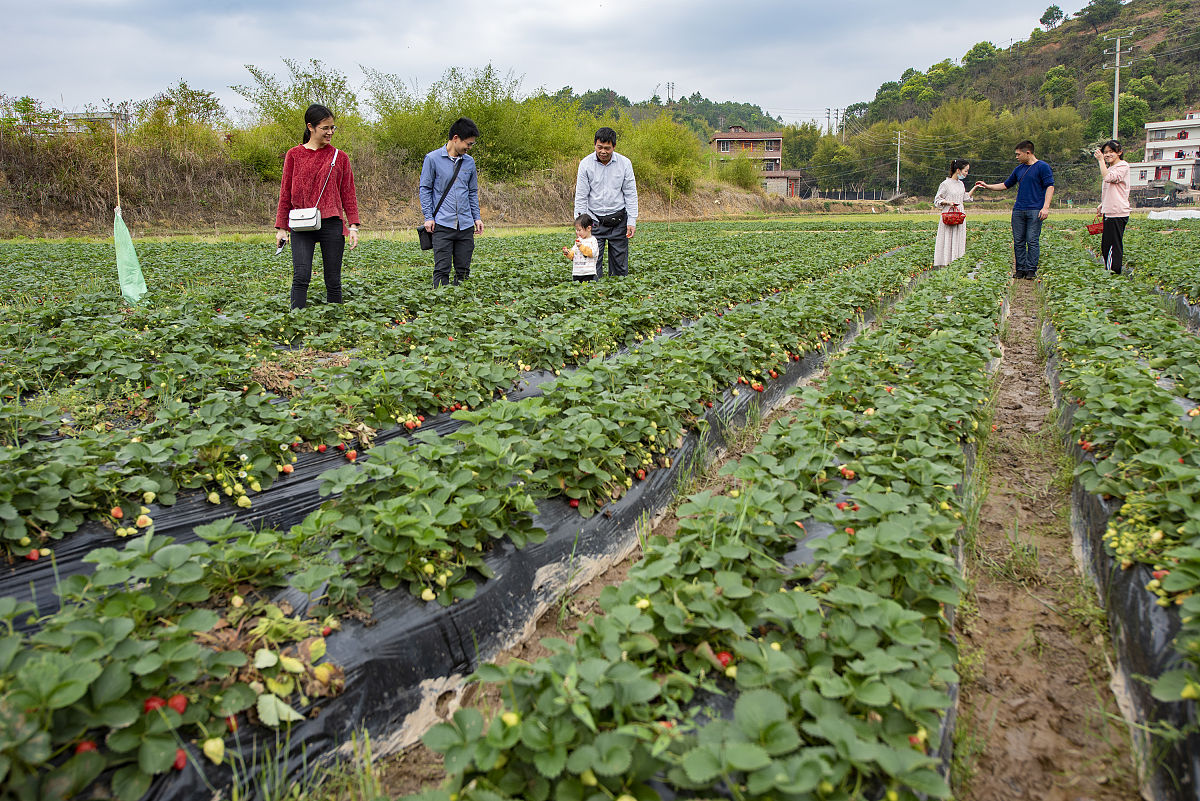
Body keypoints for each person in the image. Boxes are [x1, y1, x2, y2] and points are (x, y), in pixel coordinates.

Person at [275, 104, 360, 309]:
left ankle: (336, 328)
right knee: (301, 277)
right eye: (325, 128)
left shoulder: (340, 157)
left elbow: (348, 193)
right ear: (311, 127)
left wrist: (353, 226)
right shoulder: (294, 155)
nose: (330, 132)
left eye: (333, 128)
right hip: (301, 224)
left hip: (331, 223)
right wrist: (281, 228)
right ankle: (296, 325)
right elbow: (285, 192)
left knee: (333, 281)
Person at [974, 140, 1055, 279]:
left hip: (1035, 210)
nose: (1016, 157)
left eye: (1018, 154)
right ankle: (1020, 269)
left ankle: (1031, 270)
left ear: (1028, 152)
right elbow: (1006, 185)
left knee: (1032, 240)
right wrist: (987, 186)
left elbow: (1050, 186)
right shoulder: (1019, 169)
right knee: (1018, 241)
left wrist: (1045, 207)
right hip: (1018, 210)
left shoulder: (1043, 167)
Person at [420, 118, 483, 287]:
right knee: (442, 270)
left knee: (463, 271)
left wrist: (476, 217)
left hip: (465, 225)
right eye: (468, 144)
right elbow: (425, 189)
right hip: (442, 224)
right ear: (456, 138)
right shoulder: (432, 159)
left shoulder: (469, 162)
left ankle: (461, 309)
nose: (469, 148)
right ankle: (441, 308)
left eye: (471, 145)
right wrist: (428, 217)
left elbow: (471, 192)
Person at [573, 127, 638, 278]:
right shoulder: (586, 164)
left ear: (614, 147)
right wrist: (581, 224)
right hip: (594, 221)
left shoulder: (625, 164)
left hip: (619, 220)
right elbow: (581, 195)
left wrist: (632, 220)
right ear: (594, 145)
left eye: (607, 148)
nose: (603, 151)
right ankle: (595, 296)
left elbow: (630, 194)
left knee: (620, 268)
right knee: (592, 266)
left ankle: (617, 296)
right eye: (599, 147)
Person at [1094, 139, 1130, 275]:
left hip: (1117, 212)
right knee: (1107, 245)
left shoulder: (1123, 166)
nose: (1107, 155)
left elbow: (1108, 178)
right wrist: (1102, 204)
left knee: (1112, 246)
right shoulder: (1111, 168)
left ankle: (1113, 273)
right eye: (1105, 152)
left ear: (1119, 152)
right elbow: (1112, 190)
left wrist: (1100, 161)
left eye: (1111, 152)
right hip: (1109, 211)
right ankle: (1111, 271)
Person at [933, 159, 974, 266]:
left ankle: (956, 262)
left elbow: (965, 197)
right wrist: (948, 202)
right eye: (965, 171)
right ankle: (945, 262)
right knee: (947, 237)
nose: (966, 173)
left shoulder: (961, 184)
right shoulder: (945, 184)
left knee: (958, 238)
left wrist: (975, 187)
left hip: (959, 215)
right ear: (958, 170)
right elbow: (937, 200)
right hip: (949, 215)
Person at [562, 214, 599, 281]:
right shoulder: (579, 240)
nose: (577, 232)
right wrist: (567, 253)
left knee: (587, 290)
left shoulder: (593, 241)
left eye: (579, 230)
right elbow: (573, 254)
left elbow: (592, 253)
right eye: (576, 230)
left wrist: (581, 247)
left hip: (588, 273)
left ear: (588, 228)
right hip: (577, 272)